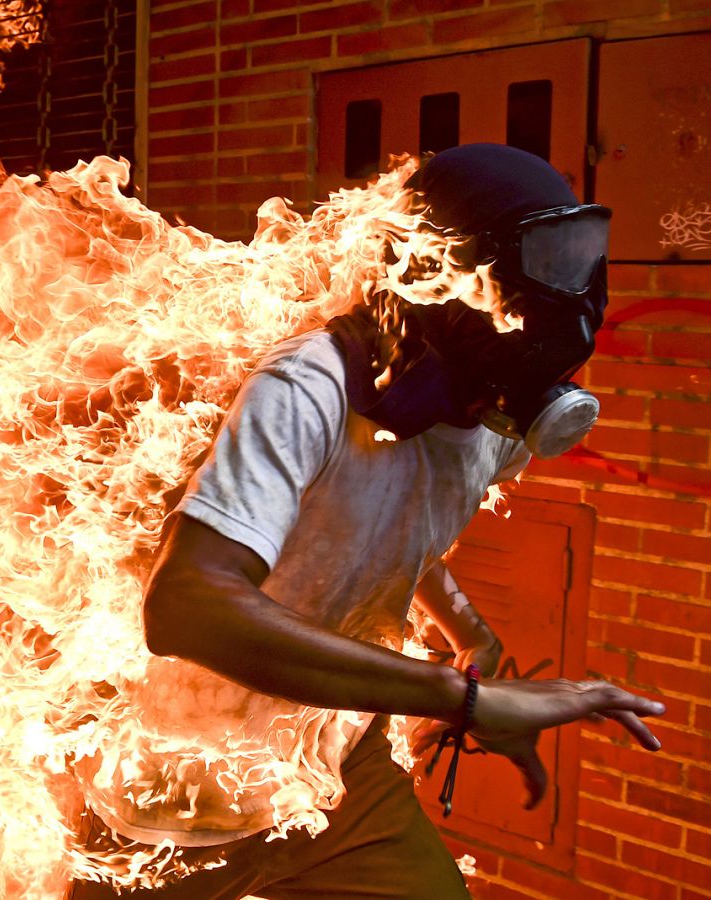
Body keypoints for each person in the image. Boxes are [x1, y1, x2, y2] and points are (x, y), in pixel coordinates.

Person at [69, 144, 664, 899]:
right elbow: (188, 603)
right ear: (436, 271)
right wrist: (462, 698)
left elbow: (393, 532)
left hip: (337, 766)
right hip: (187, 793)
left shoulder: (494, 426)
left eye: (582, 259)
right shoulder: (306, 387)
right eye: (545, 260)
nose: (567, 297)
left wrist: (472, 640)